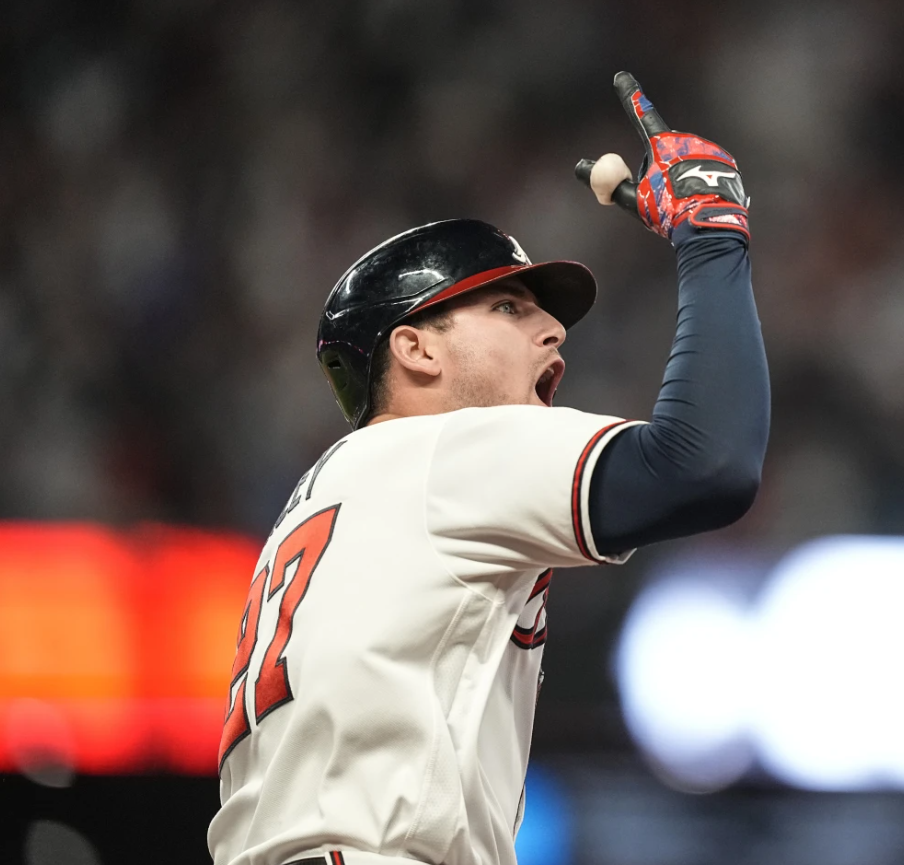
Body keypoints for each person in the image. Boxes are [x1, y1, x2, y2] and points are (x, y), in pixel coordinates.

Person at [207, 72, 769, 865]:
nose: (551, 330)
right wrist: (711, 243)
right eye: (508, 307)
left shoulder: (330, 494)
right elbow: (707, 463)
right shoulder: (443, 451)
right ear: (416, 348)